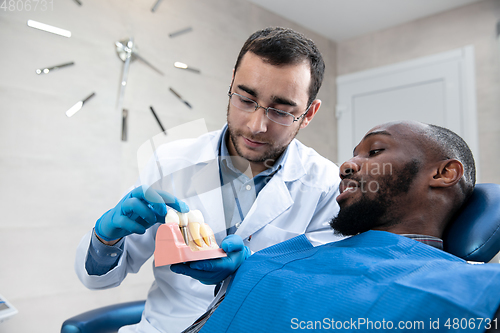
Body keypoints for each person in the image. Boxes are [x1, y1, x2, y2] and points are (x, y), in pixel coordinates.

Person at [74, 27, 343, 333]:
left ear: (308, 114)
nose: (256, 126)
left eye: (281, 111)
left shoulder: (327, 187)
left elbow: (324, 296)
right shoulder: (171, 161)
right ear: (231, 83)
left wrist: (252, 271)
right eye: (245, 98)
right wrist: (106, 238)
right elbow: (102, 277)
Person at [178, 120, 500, 333]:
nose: (345, 167)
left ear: (444, 174)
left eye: (374, 152)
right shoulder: (300, 251)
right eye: (353, 155)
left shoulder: (475, 287)